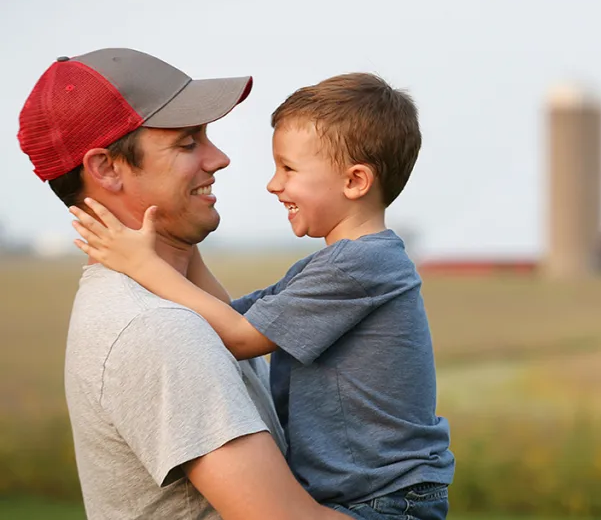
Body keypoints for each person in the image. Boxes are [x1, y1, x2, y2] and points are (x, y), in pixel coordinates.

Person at [70, 72, 456, 519]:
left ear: (354, 182)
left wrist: (143, 264)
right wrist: (179, 236)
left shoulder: (362, 267)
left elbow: (238, 337)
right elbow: (228, 314)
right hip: (361, 494)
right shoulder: (333, 266)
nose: (274, 184)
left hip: (386, 503)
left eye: (288, 169)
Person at [17, 47, 353, 520]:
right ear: (106, 168)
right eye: (187, 142)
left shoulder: (165, 301)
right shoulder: (157, 329)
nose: (219, 158)